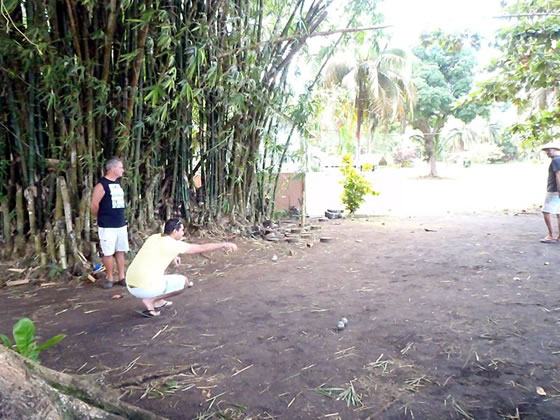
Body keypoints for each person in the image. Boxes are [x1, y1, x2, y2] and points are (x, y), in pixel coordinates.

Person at [126, 218, 238, 317]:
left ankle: (158, 301)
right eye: (182, 230)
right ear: (175, 231)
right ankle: (150, 300)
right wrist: (223, 244)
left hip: (130, 285)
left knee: (158, 273)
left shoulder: (154, 237)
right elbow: (200, 248)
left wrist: (174, 256)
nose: (183, 233)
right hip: (145, 289)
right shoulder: (173, 244)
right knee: (184, 282)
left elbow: (163, 249)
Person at [90, 158, 128, 288]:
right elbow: (94, 205)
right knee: (108, 252)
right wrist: (102, 217)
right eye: (121, 167)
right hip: (107, 225)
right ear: (112, 168)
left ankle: (122, 277)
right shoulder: (101, 185)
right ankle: (110, 277)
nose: (123, 170)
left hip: (120, 223)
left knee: (120, 251)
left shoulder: (117, 183)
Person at [540, 142, 560, 243]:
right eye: (546, 150)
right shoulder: (557, 160)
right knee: (558, 213)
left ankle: (551, 235)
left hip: (554, 191)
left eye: (550, 149)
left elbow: (558, 175)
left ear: (556, 150)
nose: (548, 152)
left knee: (546, 211)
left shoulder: (556, 160)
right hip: (556, 190)